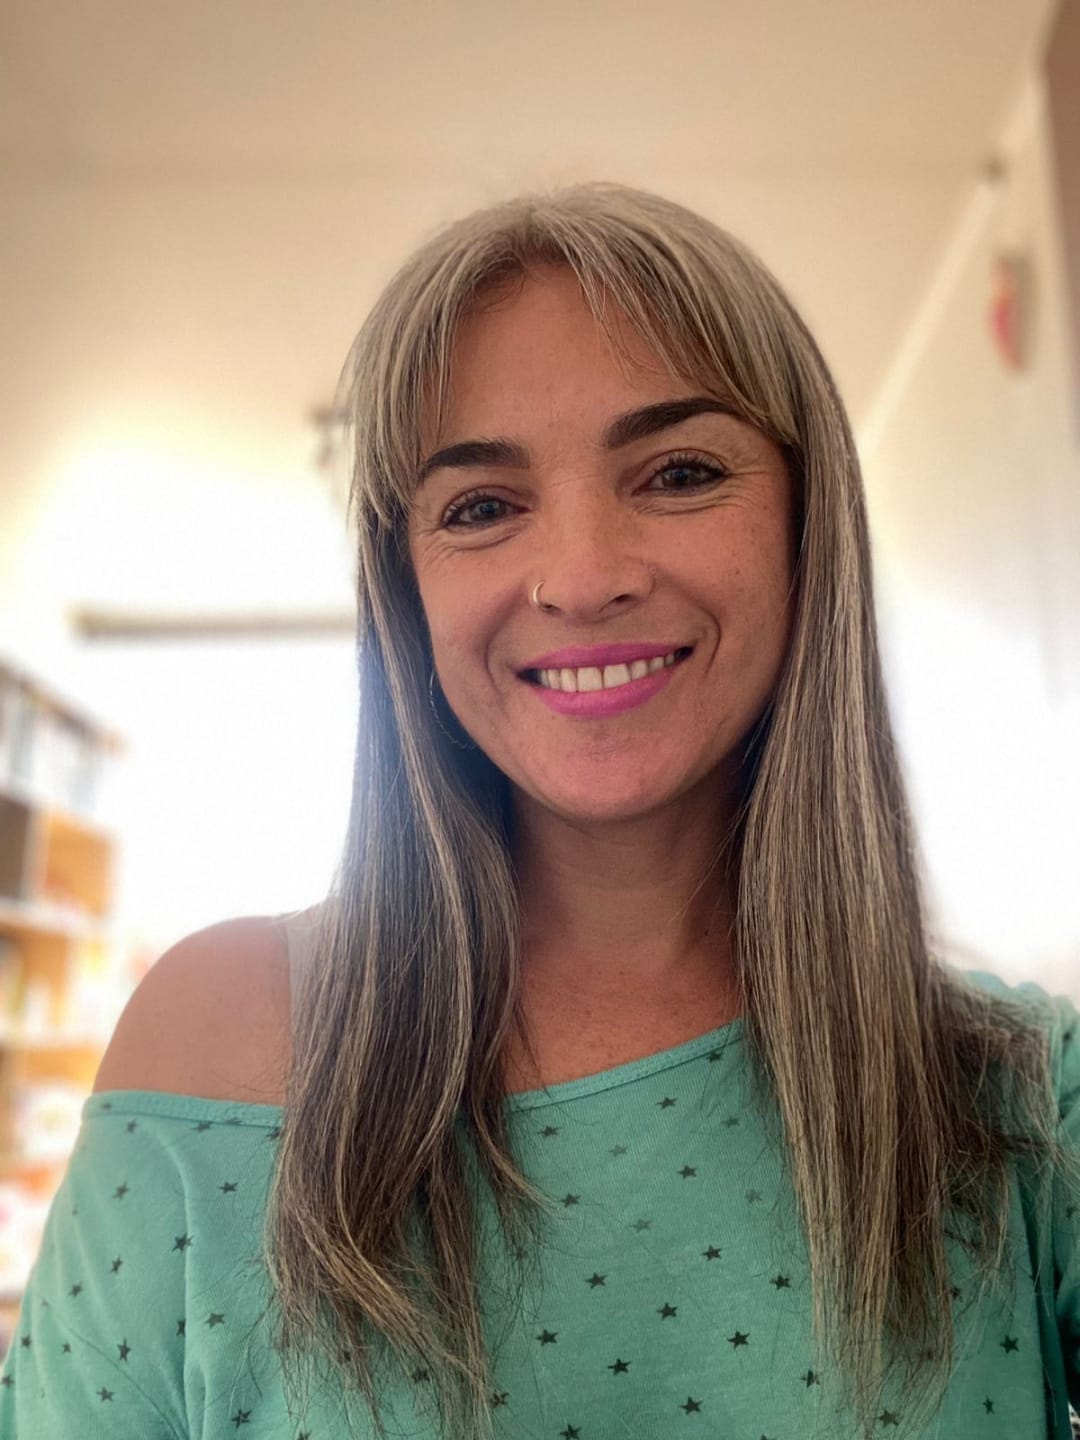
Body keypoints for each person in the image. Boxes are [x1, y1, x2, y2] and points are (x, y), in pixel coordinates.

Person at [1, 182, 1078, 1440]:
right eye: (480, 506)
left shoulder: (1020, 1096)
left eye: (679, 472)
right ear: (405, 590)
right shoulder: (211, 1045)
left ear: (805, 527)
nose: (581, 577)